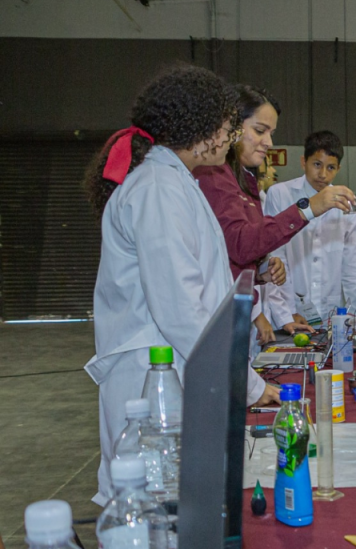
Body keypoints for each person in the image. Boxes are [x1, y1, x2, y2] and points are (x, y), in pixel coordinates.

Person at [84, 65, 276, 505]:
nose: (231, 137)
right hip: (150, 375)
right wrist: (247, 384)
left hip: (170, 365)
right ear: (200, 127)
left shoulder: (174, 181)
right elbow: (181, 308)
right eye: (229, 127)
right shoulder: (157, 187)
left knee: (171, 502)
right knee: (149, 507)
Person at [195, 87, 356, 353]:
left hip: (240, 312)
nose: (269, 143)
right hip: (215, 317)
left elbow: (236, 254)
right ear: (229, 126)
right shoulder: (215, 176)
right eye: (260, 131)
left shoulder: (242, 179)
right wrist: (308, 208)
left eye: (271, 133)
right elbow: (240, 244)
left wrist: (260, 273)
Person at [263, 131, 356, 331]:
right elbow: (275, 257)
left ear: (339, 168)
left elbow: (354, 265)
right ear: (304, 162)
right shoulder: (280, 194)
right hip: (288, 312)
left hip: (333, 315)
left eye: (331, 167)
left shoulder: (347, 203)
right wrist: (287, 312)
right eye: (317, 164)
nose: (323, 174)